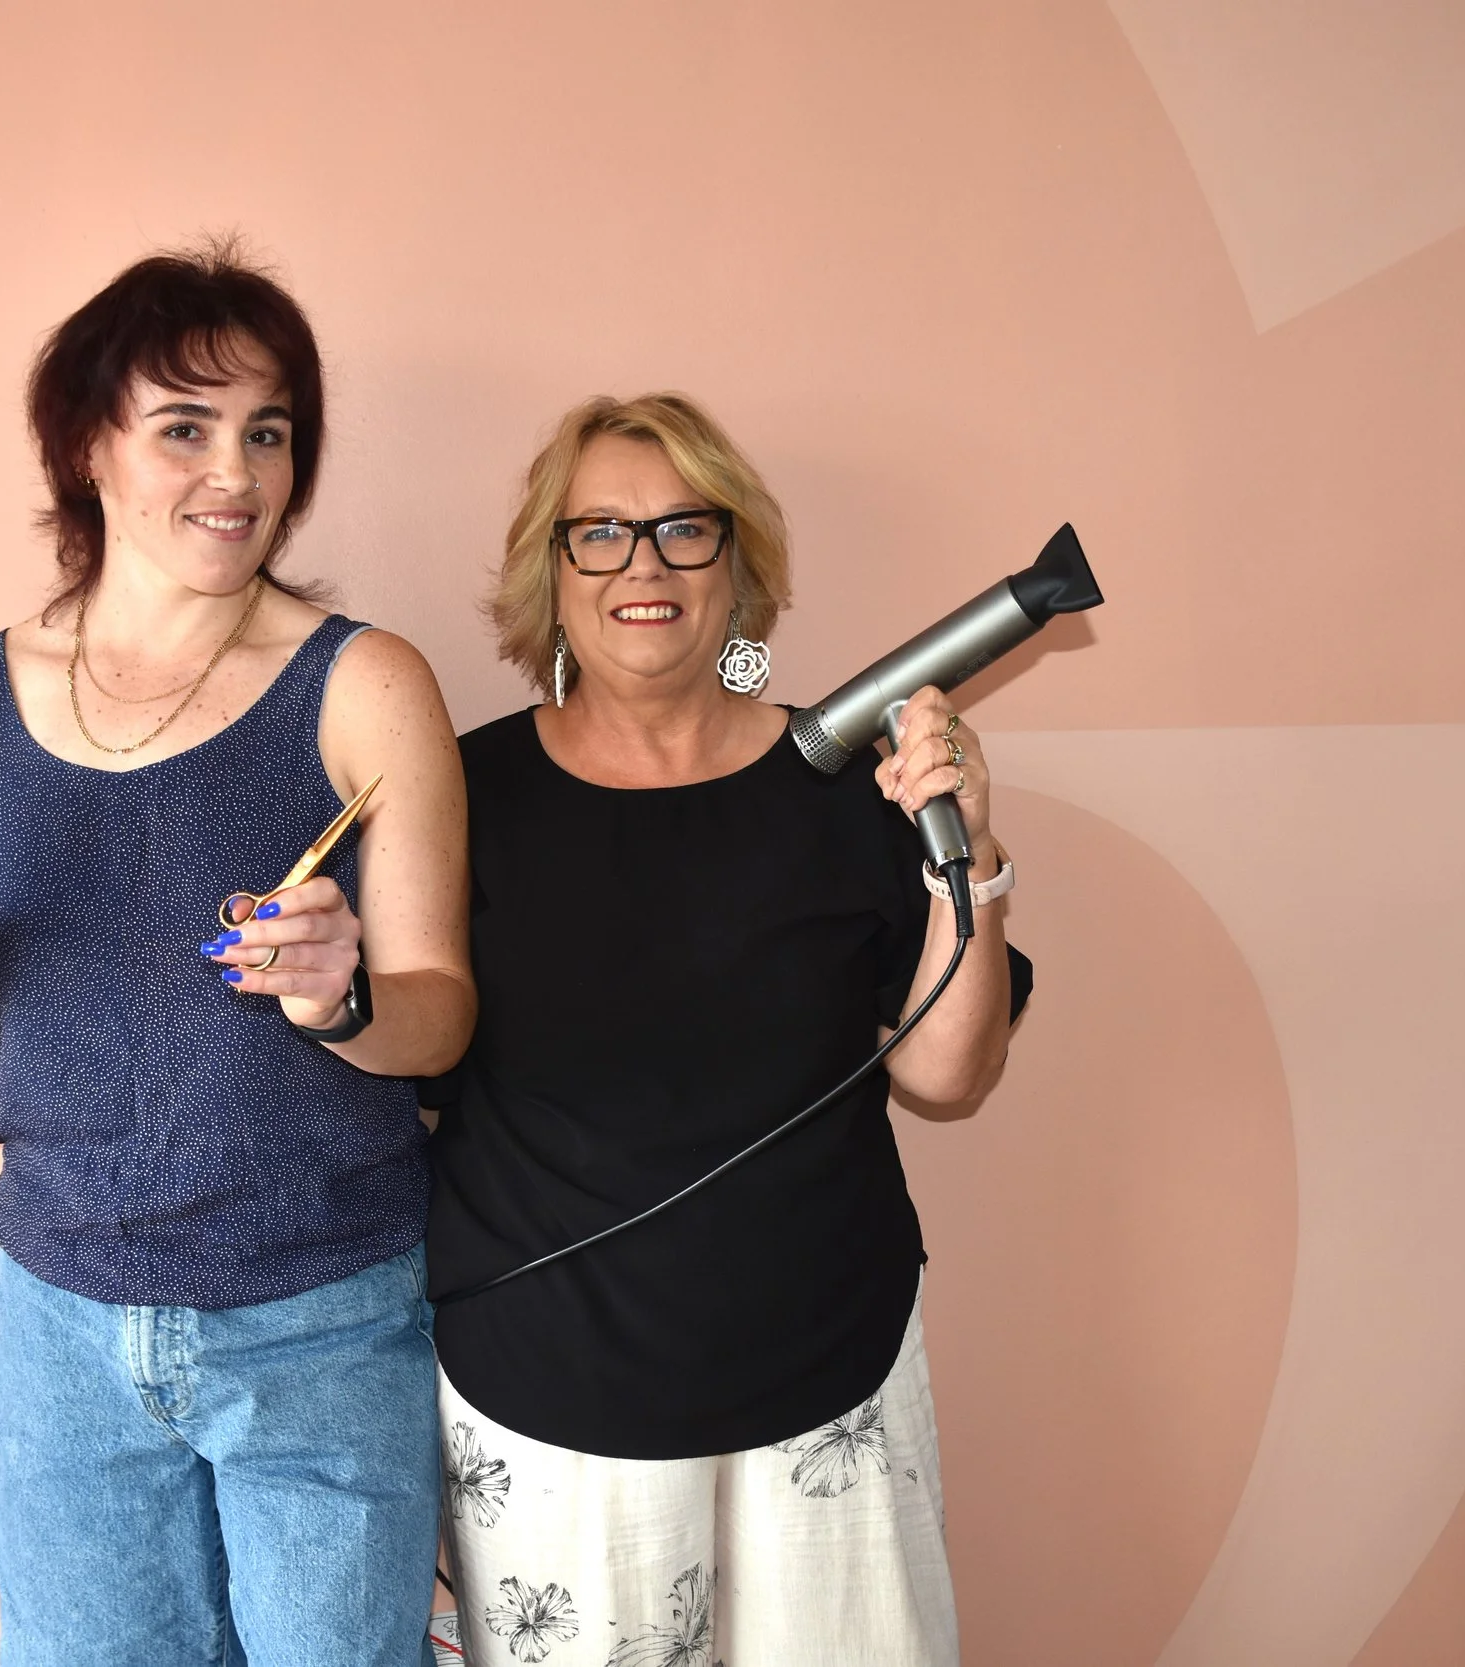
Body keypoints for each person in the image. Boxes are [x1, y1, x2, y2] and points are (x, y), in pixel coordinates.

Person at [0, 243, 472, 1667]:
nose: (236, 473)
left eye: (268, 430)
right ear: (88, 446)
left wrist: (341, 997)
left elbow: (440, 1013)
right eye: (185, 427)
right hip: (61, 1325)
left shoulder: (367, 684)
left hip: (322, 1315)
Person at [426, 393, 1033, 1665]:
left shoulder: (848, 790)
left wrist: (970, 857)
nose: (642, 564)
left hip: (830, 1387)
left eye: (683, 528)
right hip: (547, 1399)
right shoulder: (460, 796)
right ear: (551, 571)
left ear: (736, 565)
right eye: (600, 531)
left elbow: (948, 1070)